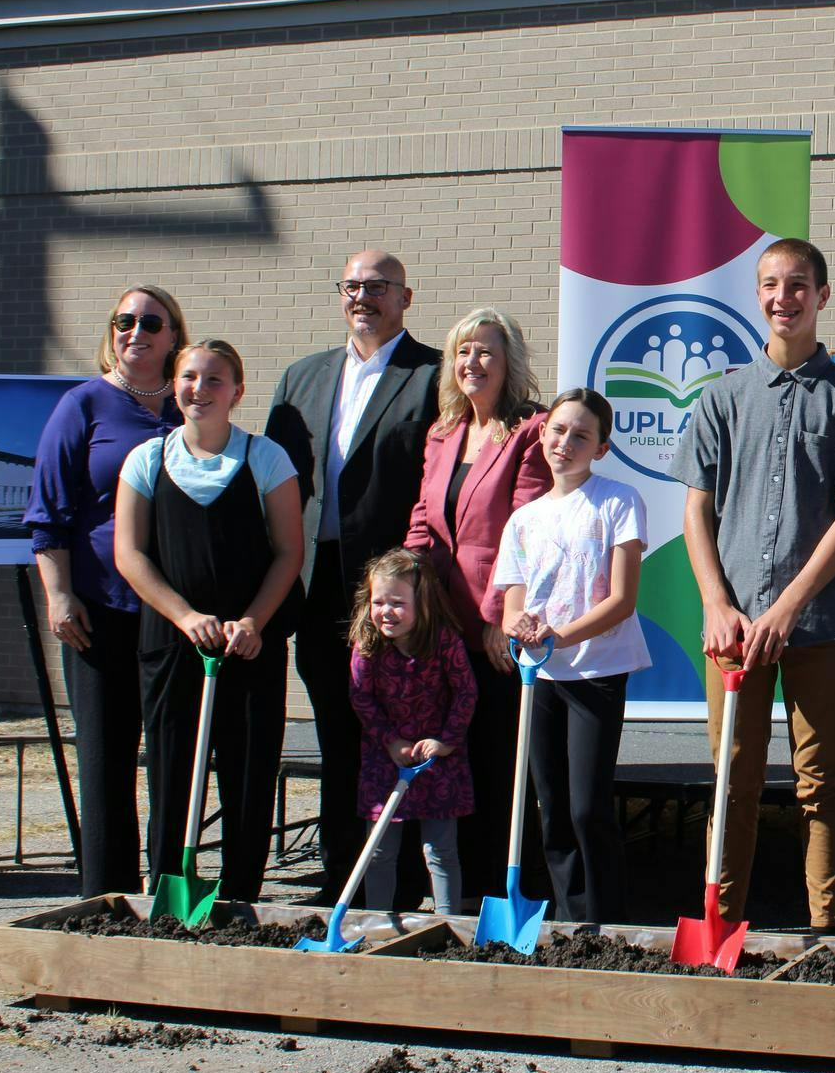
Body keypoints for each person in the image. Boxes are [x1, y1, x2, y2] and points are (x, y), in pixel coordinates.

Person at [677, 236, 835, 930]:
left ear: (821, 296)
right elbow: (696, 508)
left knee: (820, 783)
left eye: (797, 284)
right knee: (733, 783)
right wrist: (717, 602)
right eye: (771, 284)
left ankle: (826, 933)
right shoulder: (723, 398)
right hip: (732, 630)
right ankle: (719, 923)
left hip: (819, 627)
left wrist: (789, 607)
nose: (783, 297)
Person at [266, 250, 442, 903]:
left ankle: (411, 880)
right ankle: (344, 875)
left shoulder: (432, 376)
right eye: (353, 285)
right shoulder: (301, 377)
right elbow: (277, 484)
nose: (362, 295)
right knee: (338, 734)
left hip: (396, 593)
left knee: (401, 731)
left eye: (378, 286)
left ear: (405, 296)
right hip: (316, 590)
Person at [114, 341, 303, 902]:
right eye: (190, 377)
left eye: (215, 379)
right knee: (171, 772)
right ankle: (170, 891)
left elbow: (289, 553)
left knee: (248, 774)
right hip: (174, 647)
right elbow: (130, 554)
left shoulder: (266, 458)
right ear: (175, 387)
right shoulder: (147, 460)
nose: (201, 388)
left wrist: (254, 621)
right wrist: (184, 616)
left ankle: (242, 891)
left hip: (248, 646)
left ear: (237, 392)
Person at [25, 285, 187, 896]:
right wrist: (59, 594)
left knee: (171, 761)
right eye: (125, 320)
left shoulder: (189, 406)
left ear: (174, 335)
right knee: (106, 760)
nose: (136, 330)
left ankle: (169, 894)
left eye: (151, 321)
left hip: (171, 613)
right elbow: (48, 512)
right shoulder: (83, 405)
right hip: (99, 609)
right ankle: (106, 899)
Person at [402, 307, 550, 899]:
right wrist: (405, 587)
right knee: (450, 766)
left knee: (498, 767)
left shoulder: (530, 430)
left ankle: (505, 892)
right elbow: (422, 520)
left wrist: (498, 617)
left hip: (493, 633)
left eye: (486, 351)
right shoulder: (442, 432)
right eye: (463, 351)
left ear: (508, 361)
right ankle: (451, 897)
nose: (472, 363)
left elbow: (527, 528)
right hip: (440, 627)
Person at [493, 387, 651, 924]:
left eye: (582, 435)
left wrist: (559, 636)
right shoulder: (523, 519)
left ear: (601, 447)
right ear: (542, 435)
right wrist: (519, 626)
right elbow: (513, 599)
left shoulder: (618, 502)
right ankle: (567, 919)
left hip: (596, 672)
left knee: (587, 806)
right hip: (538, 679)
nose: (566, 442)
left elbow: (622, 599)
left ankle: (607, 921)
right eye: (558, 430)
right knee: (552, 807)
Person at [347, 548, 475, 915]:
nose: (386, 611)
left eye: (398, 603)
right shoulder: (368, 645)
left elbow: (466, 691)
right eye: (379, 601)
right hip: (384, 759)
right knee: (380, 850)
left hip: (436, 759)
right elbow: (361, 698)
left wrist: (447, 741)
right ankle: (377, 919)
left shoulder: (444, 641)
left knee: (440, 849)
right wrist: (390, 741)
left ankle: (448, 921)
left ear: (424, 603)